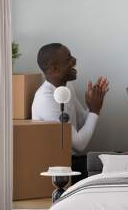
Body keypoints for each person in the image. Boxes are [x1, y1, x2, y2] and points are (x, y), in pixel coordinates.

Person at [32, 43, 109, 183]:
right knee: (109, 168)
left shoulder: (66, 86)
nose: (74, 61)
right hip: (60, 169)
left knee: (117, 158)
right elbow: (79, 144)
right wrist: (94, 110)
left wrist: (93, 104)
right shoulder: (46, 99)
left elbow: (81, 121)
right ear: (54, 69)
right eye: (68, 59)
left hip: (72, 160)